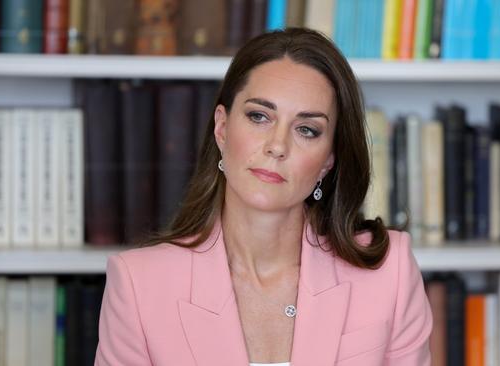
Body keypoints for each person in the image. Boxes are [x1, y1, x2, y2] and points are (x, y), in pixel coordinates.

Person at [95, 27, 432, 366]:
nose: (277, 146)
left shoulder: (391, 272)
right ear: (222, 129)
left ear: (328, 160)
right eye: (259, 116)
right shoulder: (139, 285)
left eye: (306, 129)